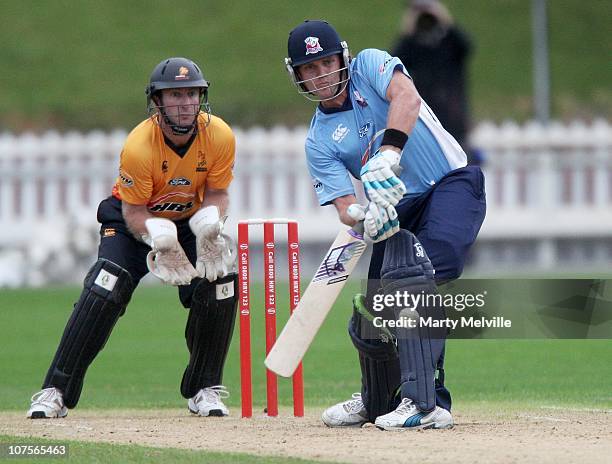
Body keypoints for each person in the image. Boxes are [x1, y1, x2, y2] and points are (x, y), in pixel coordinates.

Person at [285, 20, 486, 429]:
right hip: (396, 212)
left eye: (326, 62)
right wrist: (362, 216)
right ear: (298, 75)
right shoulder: (318, 140)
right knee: (374, 310)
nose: (321, 74)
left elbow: (406, 98)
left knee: (418, 279)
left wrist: (390, 150)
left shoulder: (370, 66)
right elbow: (344, 205)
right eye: (310, 69)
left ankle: (426, 403)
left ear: (342, 56)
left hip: (448, 183)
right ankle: (378, 398)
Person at [27, 57, 238, 419]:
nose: (186, 103)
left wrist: (210, 224)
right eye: (175, 95)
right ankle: (55, 391)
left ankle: (204, 388)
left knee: (222, 282)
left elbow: (218, 192)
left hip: (188, 220)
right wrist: (156, 235)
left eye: (192, 93)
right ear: (157, 103)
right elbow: (134, 211)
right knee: (106, 283)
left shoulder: (219, 135)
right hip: (133, 221)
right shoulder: (140, 145)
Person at [391, 0, 473, 152]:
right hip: (427, 120)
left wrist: (445, 20)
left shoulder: (449, 45)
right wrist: (408, 31)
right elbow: (394, 62)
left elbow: (466, 46)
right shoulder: (413, 47)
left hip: (453, 119)